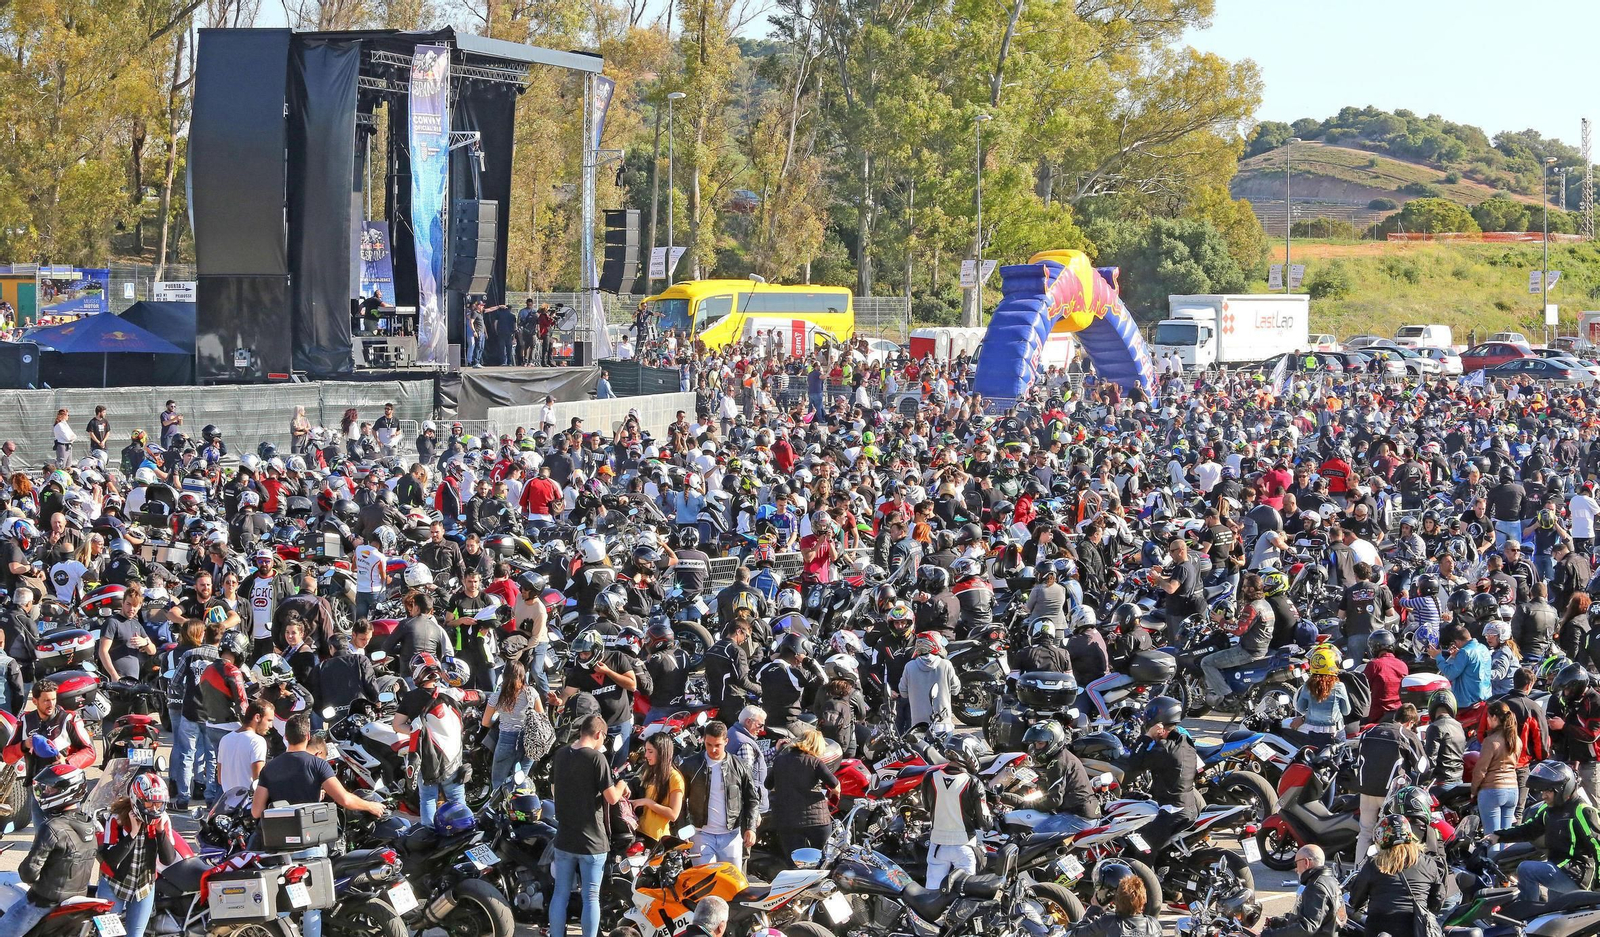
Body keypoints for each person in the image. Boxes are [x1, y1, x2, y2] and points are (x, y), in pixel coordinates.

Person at [251, 712, 383, 937]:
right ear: (308, 736)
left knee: (281, 900)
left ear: (286, 737)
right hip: (311, 842)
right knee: (312, 903)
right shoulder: (317, 764)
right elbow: (345, 799)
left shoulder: (270, 768)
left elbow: (256, 811)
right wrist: (372, 807)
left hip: (278, 846)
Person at [549, 714, 630, 937]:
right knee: (591, 896)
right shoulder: (597, 759)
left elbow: (555, 792)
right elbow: (612, 798)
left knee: (560, 894)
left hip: (565, 839)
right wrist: (622, 784)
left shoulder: (562, 754)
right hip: (593, 842)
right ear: (598, 734)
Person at [1487, 760, 1600, 908]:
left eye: (1548, 791)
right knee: (1554, 920)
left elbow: (1598, 847)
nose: (1543, 796)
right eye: (1542, 791)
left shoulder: (1583, 811)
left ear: (1562, 789)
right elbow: (1528, 829)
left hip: (1576, 875)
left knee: (1526, 869)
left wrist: (1598, 886)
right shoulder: (1548, 809)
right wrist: (1498, 836)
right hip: (1558, 869)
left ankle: (1526, 914)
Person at [0, 765, 96, 937]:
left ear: (68, 791)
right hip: (77, 898)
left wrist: (29, 873)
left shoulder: (52, 827)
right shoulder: (89, 823)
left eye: (51, 789)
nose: (46, 792)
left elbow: (28, 873)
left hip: (45, 902)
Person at [96, 773, 194, 937]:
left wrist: (160, 832)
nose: (154, 809)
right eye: (150, 803)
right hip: (114, 883)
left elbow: (168, 859)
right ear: (138, 800)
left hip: (144, 885)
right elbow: (111, 859)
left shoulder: (162, 819)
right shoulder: (116, 818)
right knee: (107, 935)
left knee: (136, 934)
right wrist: (132, 834)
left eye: (158, 803)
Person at [394, 652, 468, 826]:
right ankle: (465, 830)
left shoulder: (412, 698)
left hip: (428, 759)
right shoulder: (452, 693)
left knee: (428, 798)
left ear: (418, 672)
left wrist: (417, 732)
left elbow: (397, 725)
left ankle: (430, 834)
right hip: (454, 757)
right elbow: (477, 697)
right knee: (457, 798)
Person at [1347, 816, 1444, 937]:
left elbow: (1356, 898)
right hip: (1416, 929)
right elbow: (1438, 898)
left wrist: (1360, 905)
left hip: (1379, 929)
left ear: (1381, 838)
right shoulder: (1428, 863)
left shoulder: (1374, 863)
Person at [680, 720, 759, 868]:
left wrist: (750, 827)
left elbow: (752, 799)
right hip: (700, 834)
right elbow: (680, 800)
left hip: (732, 835)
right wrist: (682, 832)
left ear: (726, 741)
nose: (713, 749)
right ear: (703, 740)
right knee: (704, 881)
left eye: (718, 745)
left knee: (733, 884)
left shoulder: (740, 766)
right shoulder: (690, 765)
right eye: (709, 744)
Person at [1124, 696, 1198, 851]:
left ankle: (1148, 874)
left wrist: (1148, 736)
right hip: (1189, 807)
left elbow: (1133, 764)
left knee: (1139, 849)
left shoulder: (1163, 750)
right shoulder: (1184, 740)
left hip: (1172, 812)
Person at [1353, 703, 1425, 862]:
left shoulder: (1369, 731)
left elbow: (1358, 760)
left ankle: (1358, 869)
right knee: (1393, 832)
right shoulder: (1405, 734)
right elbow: (1422, 765)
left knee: (1365, 832)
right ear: (1410, 722)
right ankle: (1388, 869)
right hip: (1391, 792)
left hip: (1366, 790)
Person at [563, 629, 638, 770]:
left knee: (618, 767)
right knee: (596, 767)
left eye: (586, 653)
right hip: (596, 727)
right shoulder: (578, 669)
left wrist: (607, 672)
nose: (582, 657)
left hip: (620, 722)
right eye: (580, 654)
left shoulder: (617, 658)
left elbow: (632, 685)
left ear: (596, 650)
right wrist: (558, 701)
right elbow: (567, 693)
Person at [920, 736, 989, 888]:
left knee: (931, 894)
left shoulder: (930, 777)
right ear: (967, 754)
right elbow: (985, 822)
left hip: (937, 846)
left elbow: (926, 807)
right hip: (964, 846)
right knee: (965, 896)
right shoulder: (973, 782)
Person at [766, 728, 840, 865]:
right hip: (817, 821)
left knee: (795, 862)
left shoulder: (780, 761)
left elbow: (767, 784)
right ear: (817, 746)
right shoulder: (815, 762)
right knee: (822, 861)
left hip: (788, 820)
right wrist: (834, 795)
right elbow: (834, 784)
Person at [1201, 572, 1274, 707]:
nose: (1243, 589)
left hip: (1248, 651)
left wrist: (1221, 621)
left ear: (1251, 589)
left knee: (1206, 662)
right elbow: (1247, 625)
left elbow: (1239, 630)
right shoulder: (1265, 604)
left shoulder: (1252, 607)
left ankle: (1227, 696)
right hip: (1262, 648)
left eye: (1245, 587)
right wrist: (1232, 621)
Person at [483, 659, 540, 789]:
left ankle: (501, 808)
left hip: (505, 739)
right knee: (522, 782)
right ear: (523, 675)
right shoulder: (531, 693)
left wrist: (498, 719)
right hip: (529, 741)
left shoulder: (498, 696)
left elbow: (485, 722)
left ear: (504, 675)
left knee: (498, 782)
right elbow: (541, 717)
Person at [1260, 845, 1340, 937]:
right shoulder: (1331, 881)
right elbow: (1312, 916)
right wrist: (1279, 921)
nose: (1296, 869)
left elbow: (1306, 928)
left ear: (1306, 862)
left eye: (1296, 864)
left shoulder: (1316, 887)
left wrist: (1269, 935)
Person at [1068, 862, 1161, 937]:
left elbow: (1075, 934)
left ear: (1117, 898)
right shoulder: (1154, 925)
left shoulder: (1107, 922)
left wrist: (1094, 910)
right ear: (1143, 898)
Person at [1474, 700, 1522, 844]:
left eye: (1488, 717)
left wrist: (1473, 789)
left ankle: (1491, 865)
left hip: (1492, 790)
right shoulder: (1516, 740)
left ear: (1495, 717)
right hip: (1513, 790)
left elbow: (1480, 770)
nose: (1487, 721)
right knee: (1505, 838)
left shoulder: (1491, 741)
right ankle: (1504, 865)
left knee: (1492, 837)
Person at [1289, 644, 1351, 747]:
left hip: (1314, 734)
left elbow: (1300, 708)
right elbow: (1346, 711)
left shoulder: (1307, 686)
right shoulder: (1339, 686)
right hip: (1335, 733)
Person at [631, 734, 685, 845]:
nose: (646, 755)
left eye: (650, 751)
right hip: (639, 833)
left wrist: (648, 802)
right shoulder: (649, 772)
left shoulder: (675, 778)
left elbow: (674, 814)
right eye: (646, 751)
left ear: (662, 753)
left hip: (656, 838)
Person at [898, 631, 958, 731]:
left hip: (918, 726)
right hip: (943, 724)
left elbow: (903, 692)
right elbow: (956, 689)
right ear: (935, 644)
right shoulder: (946, 665)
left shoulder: (909, 666)